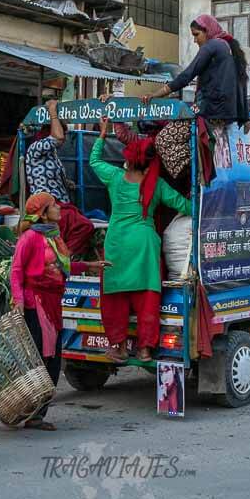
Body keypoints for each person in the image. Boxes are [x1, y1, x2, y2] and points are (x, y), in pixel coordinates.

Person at [91, 118, 192, 363]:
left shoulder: (114, 177)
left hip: (116, 242)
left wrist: (102, 135)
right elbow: (184, 205)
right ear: (149, 166)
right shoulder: (155, 184)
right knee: (147, 299)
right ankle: (146, 349)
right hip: (145, 243)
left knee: (115, 297)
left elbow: (94, 161)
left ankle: (119, 347)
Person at [10, 192, 108, 430]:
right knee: (43, 359)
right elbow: (16, 270)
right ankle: (33, 411)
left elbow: (60, 267)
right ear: (43, 213)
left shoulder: (53, 236)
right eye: (53, 205)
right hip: (37, 303)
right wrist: (19, 301)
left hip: (53, 302)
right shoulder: (30, 238)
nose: (59, 209)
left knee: (52, 358)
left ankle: (37, 413)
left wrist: (89, 265)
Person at [142, 14, 249, 127]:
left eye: (196, 35)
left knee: (164, 138)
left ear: (207, 31)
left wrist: (156, 94)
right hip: (227, 114)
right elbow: (242, 83)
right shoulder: (229, 47)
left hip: (209, 110)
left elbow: (187, 75)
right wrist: (246, 118)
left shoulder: (211, 45)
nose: (195, 40)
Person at [24, 99, 95, 256]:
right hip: (49, 206)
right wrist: (53, 111)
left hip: (60, 205)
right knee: (85, 226)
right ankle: (64, 256)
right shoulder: (36, 147)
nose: (64, 138)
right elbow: (58, 138)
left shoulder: (52, 153)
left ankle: (61, 257)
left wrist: (66, 183)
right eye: (63, 131)